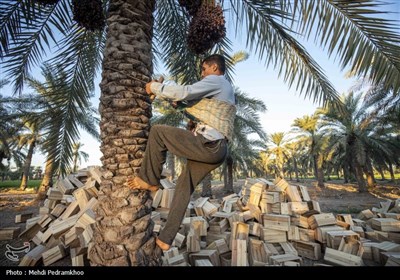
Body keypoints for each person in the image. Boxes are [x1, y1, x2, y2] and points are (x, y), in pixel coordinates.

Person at [126, 54, 236, 251]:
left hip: (209, 144)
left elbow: (185, 92)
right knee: (183, 188)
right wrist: (171, 99)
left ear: (213, 67)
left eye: (203, 69)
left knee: (158, 132)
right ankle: (166, 239)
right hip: (217, 150)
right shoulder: (223, 90)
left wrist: (154, 88)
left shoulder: (217, 81)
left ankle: (149, 178)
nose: (202, 74)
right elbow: (191, 105)